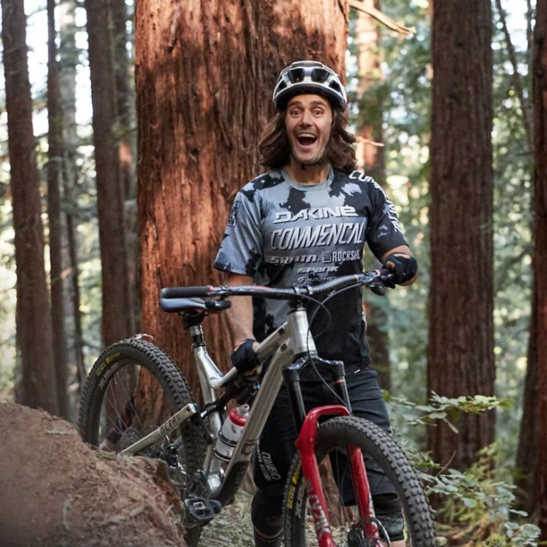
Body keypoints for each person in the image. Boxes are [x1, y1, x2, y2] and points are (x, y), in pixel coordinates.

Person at [213, 60, 418, 547]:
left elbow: (396, 247)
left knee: (386, 502)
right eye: (296, 111)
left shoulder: (362, 191)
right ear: (284, 123)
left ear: (333, 122)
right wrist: (243, 340)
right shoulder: (256, 197)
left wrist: (400, 263)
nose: (306, 120)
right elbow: (236, 277)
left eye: (318, 110)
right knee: (275, 500)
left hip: (347, 364)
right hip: (278, 370)